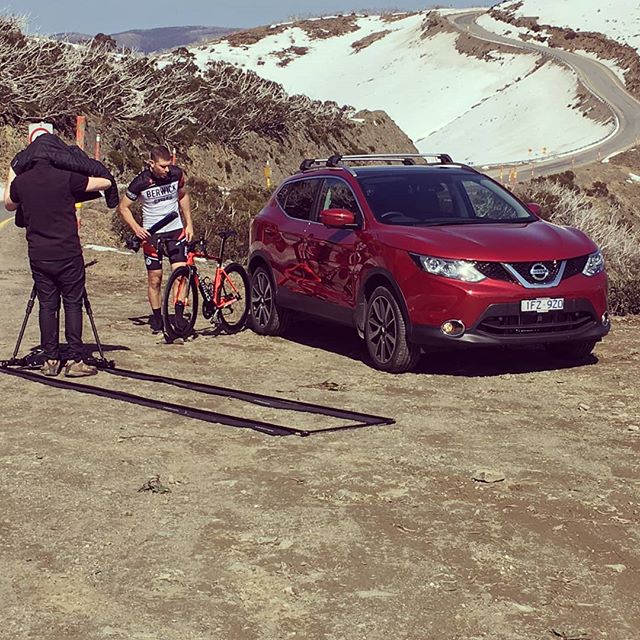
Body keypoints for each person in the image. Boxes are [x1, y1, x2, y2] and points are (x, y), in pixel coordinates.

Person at [4, 162, 112, 377]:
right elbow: (105, 182)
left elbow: (8, 204)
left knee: (47, 306)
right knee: (73, 304)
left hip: (39, 256)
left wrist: (13, 171)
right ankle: (74, 360)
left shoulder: (22, 181)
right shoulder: (66, 176)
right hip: (68, 253)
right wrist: (82, 165)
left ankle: (50, 360)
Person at [118, 145, 193, 332]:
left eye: (168, 165)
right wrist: (136, 228)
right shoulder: (141, 182)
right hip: (152, 235)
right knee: (155, 279)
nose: (166, 170)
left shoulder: (176, 174)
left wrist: (189, 223)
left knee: (181, 274)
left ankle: (178, 317)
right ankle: (158, 318)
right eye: (162, 166)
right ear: (151, 164)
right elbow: (123, 207)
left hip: (175, 230)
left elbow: (183, 196)